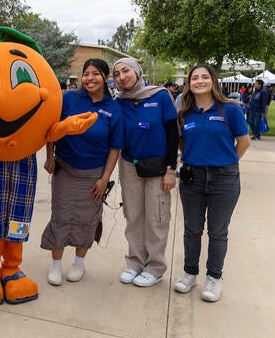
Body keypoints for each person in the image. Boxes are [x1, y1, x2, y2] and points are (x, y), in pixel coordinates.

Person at [41, 59, 123, 285]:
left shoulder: (113, 109)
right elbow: (51, 130)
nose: (89, 78)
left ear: (105, 77)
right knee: (61, 216)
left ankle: (79, 263)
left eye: (95, 73)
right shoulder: (68, 99)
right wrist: (49, 157)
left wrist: (104, 179)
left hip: (94, 175)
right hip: (65, 170)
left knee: (87, 220)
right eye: (85, 74)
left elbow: (115, 148)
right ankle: (56, 265)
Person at [174, 64, 250, 302]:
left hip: (224, 179)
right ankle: (189, 273)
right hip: (192, 179)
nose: (199, 81)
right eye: (194, 78)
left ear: (213, 81)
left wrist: (225, 162)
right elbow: (182, 144)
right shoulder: (184, 113)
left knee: (218, 232)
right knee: (192, 229)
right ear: (189, 84)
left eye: (204, 77)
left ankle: (214, 277)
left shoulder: (230, 110)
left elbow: (243, 142)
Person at [112, 58, 179, 287]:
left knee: (156, 217)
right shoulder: (119, 102)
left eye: (126, 70)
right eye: (117, 73)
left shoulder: (160, 96)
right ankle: (135, 263)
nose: (122, 76)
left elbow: (173, 134)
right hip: (130, 165)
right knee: (134, 215)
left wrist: (172, 169)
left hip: (159, 167)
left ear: (137, 71)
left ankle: (155, 267)